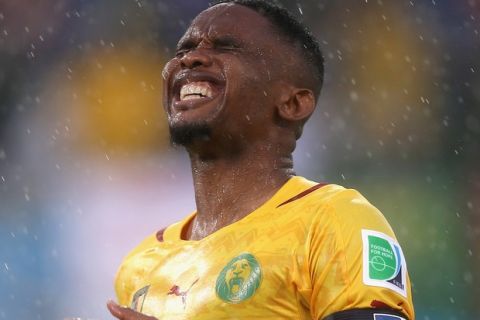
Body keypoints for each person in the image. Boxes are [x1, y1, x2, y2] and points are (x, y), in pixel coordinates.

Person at [107, 0, 415, 319]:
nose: (190, 58)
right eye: (183, 50)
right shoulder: (141, 265)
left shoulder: (334, 222)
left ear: (293, 103)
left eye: (226, 47)